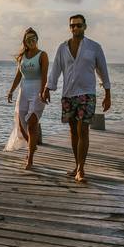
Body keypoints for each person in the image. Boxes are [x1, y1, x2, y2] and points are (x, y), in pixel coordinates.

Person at [41, 14, 111, 183]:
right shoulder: (62, 48)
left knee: (83, 130)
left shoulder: (94, 47)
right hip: (68, 94)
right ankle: (77, 165)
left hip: (87, 93)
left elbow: (102, 70)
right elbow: (56, 70)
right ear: (70, 27)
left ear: (85, 26)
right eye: (72, 25)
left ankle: (81, 169)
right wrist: (47, 88)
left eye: (79, 25)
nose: (75, 28)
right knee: (73, 131)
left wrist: (107, 93)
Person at [4, 27, 49, 170]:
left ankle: (30, 159)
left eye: (33, 38)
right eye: (28, 39)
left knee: (32, 123)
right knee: (20, 122)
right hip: (23, 91)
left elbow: (44, 76)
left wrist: (43, 92)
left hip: (37, 91)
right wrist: (11, 91)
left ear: (37, 39)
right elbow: (18, 75)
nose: (31, 41)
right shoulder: (22, 56)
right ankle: (32, 144)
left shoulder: (42, 55)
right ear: (25, 41)